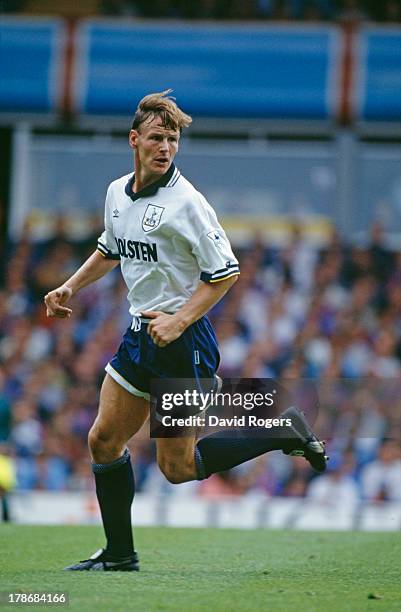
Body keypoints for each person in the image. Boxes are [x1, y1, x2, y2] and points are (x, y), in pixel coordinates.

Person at [44, 90, 327, 572]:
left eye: (173, 139)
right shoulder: (117, 192)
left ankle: (282, 428)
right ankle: (119, 554)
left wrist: (178, 321)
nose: (165, 147)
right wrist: (69, 286)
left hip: (183, 343)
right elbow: (111, 250)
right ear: (134, 140)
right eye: (156, 137)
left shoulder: (188, 204)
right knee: (103, 440)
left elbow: (226, 272)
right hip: (140, 336)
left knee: (177, 468)